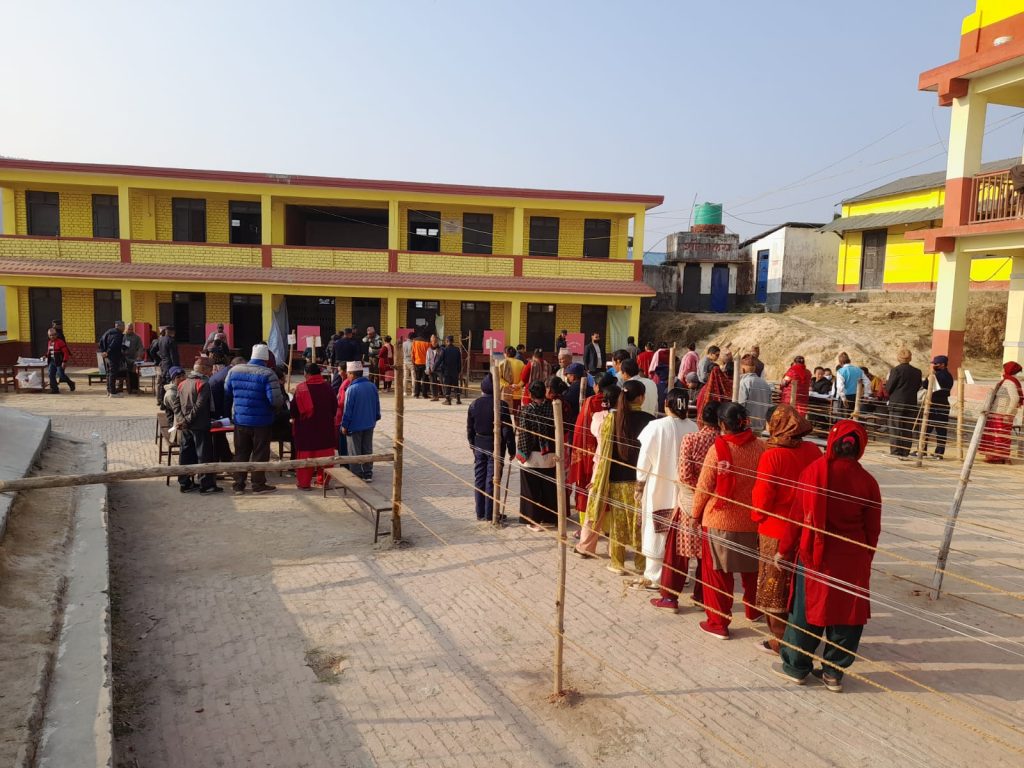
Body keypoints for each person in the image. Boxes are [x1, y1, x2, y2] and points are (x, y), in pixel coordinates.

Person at [773, 420, 881, 692]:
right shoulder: (868, 482)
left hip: (815, 556)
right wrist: (865, 557)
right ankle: (833, 673)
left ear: (832, 443)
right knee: (847, 616)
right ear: (860, 447)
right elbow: (873, 529)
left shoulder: (813, 473)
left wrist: (784, 549)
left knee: (805, 612)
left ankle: (796, 667)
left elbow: (797, 517)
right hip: (852, 557)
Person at [691, 402, 766, 640]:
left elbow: (704, 487)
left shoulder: (718, 450)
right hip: (751, 519)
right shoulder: (761, 447)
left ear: (722, 424)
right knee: (751, 571)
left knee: (717, 574)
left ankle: (718, 622)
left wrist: (695, 514)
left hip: (719, 519)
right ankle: (754, 611)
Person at [751, 405, 821, 653]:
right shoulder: (813, 450)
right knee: (799, 585)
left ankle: (780, 640)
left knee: (775, 586)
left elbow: (762, 499)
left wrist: (756, 517)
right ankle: (802, 636)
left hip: (776, 529)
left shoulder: (772, 455)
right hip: (807, 527)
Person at [577, 380, 654, 574]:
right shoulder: (650, 420)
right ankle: (641, 563)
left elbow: (604, 453)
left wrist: (598, 479)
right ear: (641, 398)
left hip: (616, 478)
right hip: (642, 480)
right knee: (640, 522)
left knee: (618, 523)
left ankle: (617, 563)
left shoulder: (611, 419)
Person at [650, 402, 719, 612]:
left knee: (677, 553)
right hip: (714, 506)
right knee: (707, 555)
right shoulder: (724, 443)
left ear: (701, 419)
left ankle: (670, 598)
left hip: (690, 502)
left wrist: (696, 494)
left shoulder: (692, 439)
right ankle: (702, 597)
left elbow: (685, 474)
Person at [636, 387, 696, 590]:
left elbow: (644, 459)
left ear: (666, 404)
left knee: (657, 530)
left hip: (658, 487)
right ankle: (681, 575)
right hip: (685, 491)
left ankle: (654, 576)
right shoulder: (694, 427)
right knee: (681, 532)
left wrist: (639, 483)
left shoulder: (655, 426)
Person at [224, 343, 283, 495]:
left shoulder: (234, 371)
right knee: (260, 453)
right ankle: (258, 484)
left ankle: (238, 484)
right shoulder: (268, 374)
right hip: (262, 422)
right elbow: (275, 400)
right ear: (266, 359)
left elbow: (227, 392)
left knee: (240, 452)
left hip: (240, 420)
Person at [466, 374, 515, 521]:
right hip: (496, 446)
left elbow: (470, 428)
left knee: (480, 478)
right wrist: (512, 449)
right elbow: (507, 430)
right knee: (492, 479)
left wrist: (472, 445)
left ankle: (480, 512)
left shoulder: (474, 404)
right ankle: (490, 513)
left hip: (479, 445)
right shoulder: (501, 405)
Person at [568, 372, 615, 514]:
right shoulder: (617, 399)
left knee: (587, 483)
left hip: (590, 450)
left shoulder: (590, 401)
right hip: (612, 449)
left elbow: (579, 430)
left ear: (597, 386)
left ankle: (587, 515)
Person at [516, 380, 560, 531]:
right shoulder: (553, 408)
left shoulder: (527, 410)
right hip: (549, 452)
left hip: (532, 454)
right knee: (548, 487)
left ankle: (532, 520)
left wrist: (522, 454)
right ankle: (550, 518)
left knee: (530, 489)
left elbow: (524, 434)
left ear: (530, 394)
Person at [174, 357, 221, 495]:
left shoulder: (183, 383)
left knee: (185, 454)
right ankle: (206, 485)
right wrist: (187, 420)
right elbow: (199, 406)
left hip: (186, 426)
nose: (211, 372)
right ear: (204, 369)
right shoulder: (203, 384)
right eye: (210, 369)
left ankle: (185, 483)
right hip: (199, 425)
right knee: (203, 455)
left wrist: (182, 420)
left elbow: (176, 405)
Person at [290, 363, 337, 490]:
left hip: (306, 430)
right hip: (325, 429)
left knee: (306, 457)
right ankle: (323, 482)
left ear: (307, 374)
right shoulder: (328, 387)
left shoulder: (301, 389)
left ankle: (304, 484)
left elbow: (293, 411)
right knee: (326, 457)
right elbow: (334, 408)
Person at [341, 361, 381, 481]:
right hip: (369, 423)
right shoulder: (372, 386)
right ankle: (368, 473)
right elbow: (377, 405)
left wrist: (344, 425)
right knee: (367, 449)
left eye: (348, 373)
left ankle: (357, 474)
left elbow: (347, 410)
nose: (347, 375)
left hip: (354, 426)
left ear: (352, 374)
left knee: (354, 451)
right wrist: (375, 418)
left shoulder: (351, 389)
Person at [980, 361, 1023, 464]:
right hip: (1000, 413)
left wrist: (1007, 413)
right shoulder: (1009, 381)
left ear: (1009, 370)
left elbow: (1015, 398)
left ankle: (997, 458)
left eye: (1004, 368)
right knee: (999, 435)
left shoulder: (1009, 382)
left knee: (998, 436)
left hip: (1002, 414)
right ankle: (1000, 457)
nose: (1002, 370)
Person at [885, 348, 922, 458]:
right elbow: (918, 386)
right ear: (910, 358)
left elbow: (889, 388)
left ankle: (896, 451)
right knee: (907, 429)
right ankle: (905, 451)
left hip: (896, 403)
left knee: (895, 428)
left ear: (898, 358)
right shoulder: (917, 372)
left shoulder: (896, 370)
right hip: (911, 403)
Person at [209, 356, 244, 462]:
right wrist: (227, 417)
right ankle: (221, 458)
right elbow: (227, 398)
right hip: (215, 406)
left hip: (214, 403)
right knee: (218, 434)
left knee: (219, 436)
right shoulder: (229, 375)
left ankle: (226, 456)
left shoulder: (226, 371)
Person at [923, 355, 954, 460]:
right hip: (944, 403)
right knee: (941, 430)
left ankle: (922, 450)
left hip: (934, 403)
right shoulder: (949, 375)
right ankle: (939, 453)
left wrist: (930, 376)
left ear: (942, 365)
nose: (934, 365)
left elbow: (925, 385)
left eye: (936, 364)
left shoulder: (937, 375)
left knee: (926, 428)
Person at [738, 354, 773, 432]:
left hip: (746, 426)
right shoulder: (765, 383)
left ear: (742, 369)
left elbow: (740, 404)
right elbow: (770, 405)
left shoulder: (743, 383)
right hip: (761, 425)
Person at [834, 352, 868, 419]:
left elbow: (840, 387)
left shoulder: (840, 371)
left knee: (844, 417)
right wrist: (866, 394)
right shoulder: (859, 370)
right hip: (857, 396)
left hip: (846, 397)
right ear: (849, 360)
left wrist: (843, 398)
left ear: (840, 362)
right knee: (855, 415)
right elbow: (867, 382)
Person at [98, 320, 126, 397]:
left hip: (106, 357)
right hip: (113, 356)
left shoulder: (108, 332)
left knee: (108, 373)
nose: (124, 329)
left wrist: (103, 351)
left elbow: (100, 342)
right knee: (113, 374)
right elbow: (114, 345)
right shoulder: (118, 334)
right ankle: (113, 392)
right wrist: (107, 352)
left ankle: (109, 390)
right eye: (123, 327)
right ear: (120, 326)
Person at [155, 326, 180, 405]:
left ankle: (161, 400)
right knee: (169, 383)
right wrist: (176, 367)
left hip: (163, 364)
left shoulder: (160, 339)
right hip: (170, 365)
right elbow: (173, 356)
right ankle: (167, 402)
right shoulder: (171, 341)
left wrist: (158, 359)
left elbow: (153, 351)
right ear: (172, 332)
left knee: (162, 383)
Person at [45, 327, 75, 394]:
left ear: (56, 335)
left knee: (61, 375)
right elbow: (49, 352)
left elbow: (66, 353)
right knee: (51, 374)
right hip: (52, 361)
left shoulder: (60, 342)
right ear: (48, 336)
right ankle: (55, 389)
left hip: (59, 361)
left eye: (53, 335)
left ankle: (71, 383)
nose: (52, 336)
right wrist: (45, 356)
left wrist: (64, 361)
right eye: (50, 335)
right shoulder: (49, 342)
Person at [498, 345, 525, 415]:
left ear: (505, 354)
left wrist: (508, 385)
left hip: (505, 394)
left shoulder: (502, 363)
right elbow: (524, 377)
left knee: (505, 415)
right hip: (517, 392)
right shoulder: (521, 363)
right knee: (517, 415)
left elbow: (498, 378)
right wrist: (518, 385)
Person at [439, 335, 463, 405]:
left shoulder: (444, 350)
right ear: (453, 341)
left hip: (447, 371)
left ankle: (448, 400)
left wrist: (434, 368)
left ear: (447, 341)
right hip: (455, 371)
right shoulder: (457, 350)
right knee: (456, 385)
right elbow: (459, 362)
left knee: (447, 385)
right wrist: (459, 370)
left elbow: (439, 360)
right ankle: (458, 400)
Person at [122, 323, 143, 393]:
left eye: (131, 329)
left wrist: (139, 356)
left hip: (134, 358)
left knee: (134, 372)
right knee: (125, 372)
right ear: (126, 329)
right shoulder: (122, 337)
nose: (130, 331)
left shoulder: (137, 337)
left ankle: (135, 388)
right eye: (129, 329)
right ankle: (125, 387)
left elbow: (140, 348)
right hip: (124, 358)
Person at [411, 332, 430, 398]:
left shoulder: (414, 341)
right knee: (425, 379)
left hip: (417, 362)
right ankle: (424, 394)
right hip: (425, 363)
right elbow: (429, 354)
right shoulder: (427, 342)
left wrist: (413, 361)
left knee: (417, 379)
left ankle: (416, 394)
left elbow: (412, 353)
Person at [426, 334, 443, 401]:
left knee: (442, 381)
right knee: (433, 382)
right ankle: (435, 396)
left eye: (436, 341)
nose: (435, 342)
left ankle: (446, 396)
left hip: (439, 369)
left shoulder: (441, 349)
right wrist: (428, 368)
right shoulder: (429, 350)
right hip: (432, 369)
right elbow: (427, 360)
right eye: (433, 341)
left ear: (437, 341)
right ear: (431, 342)